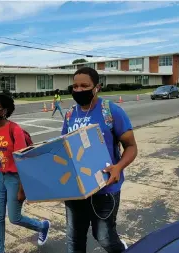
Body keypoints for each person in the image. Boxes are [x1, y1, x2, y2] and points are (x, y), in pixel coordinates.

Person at [62, 67, 138, 253]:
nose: (79, 90)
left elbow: (131, 146)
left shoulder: (110, 111)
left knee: (104, 237)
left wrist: (118, 167)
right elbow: (63, 148)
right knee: (74, 238)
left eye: (84, 86)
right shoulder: (71, 114)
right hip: (77, 190)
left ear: (97, 87)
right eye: (75, 86)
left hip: (105, 186)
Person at [0, 93, 50, 253]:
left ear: (4, 110)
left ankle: (42, 226)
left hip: (15, 178)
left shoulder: (15, 130)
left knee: (15, 218)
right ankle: (0, 250)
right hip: (0, 177)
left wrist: (22, 188)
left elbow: (23, 161)